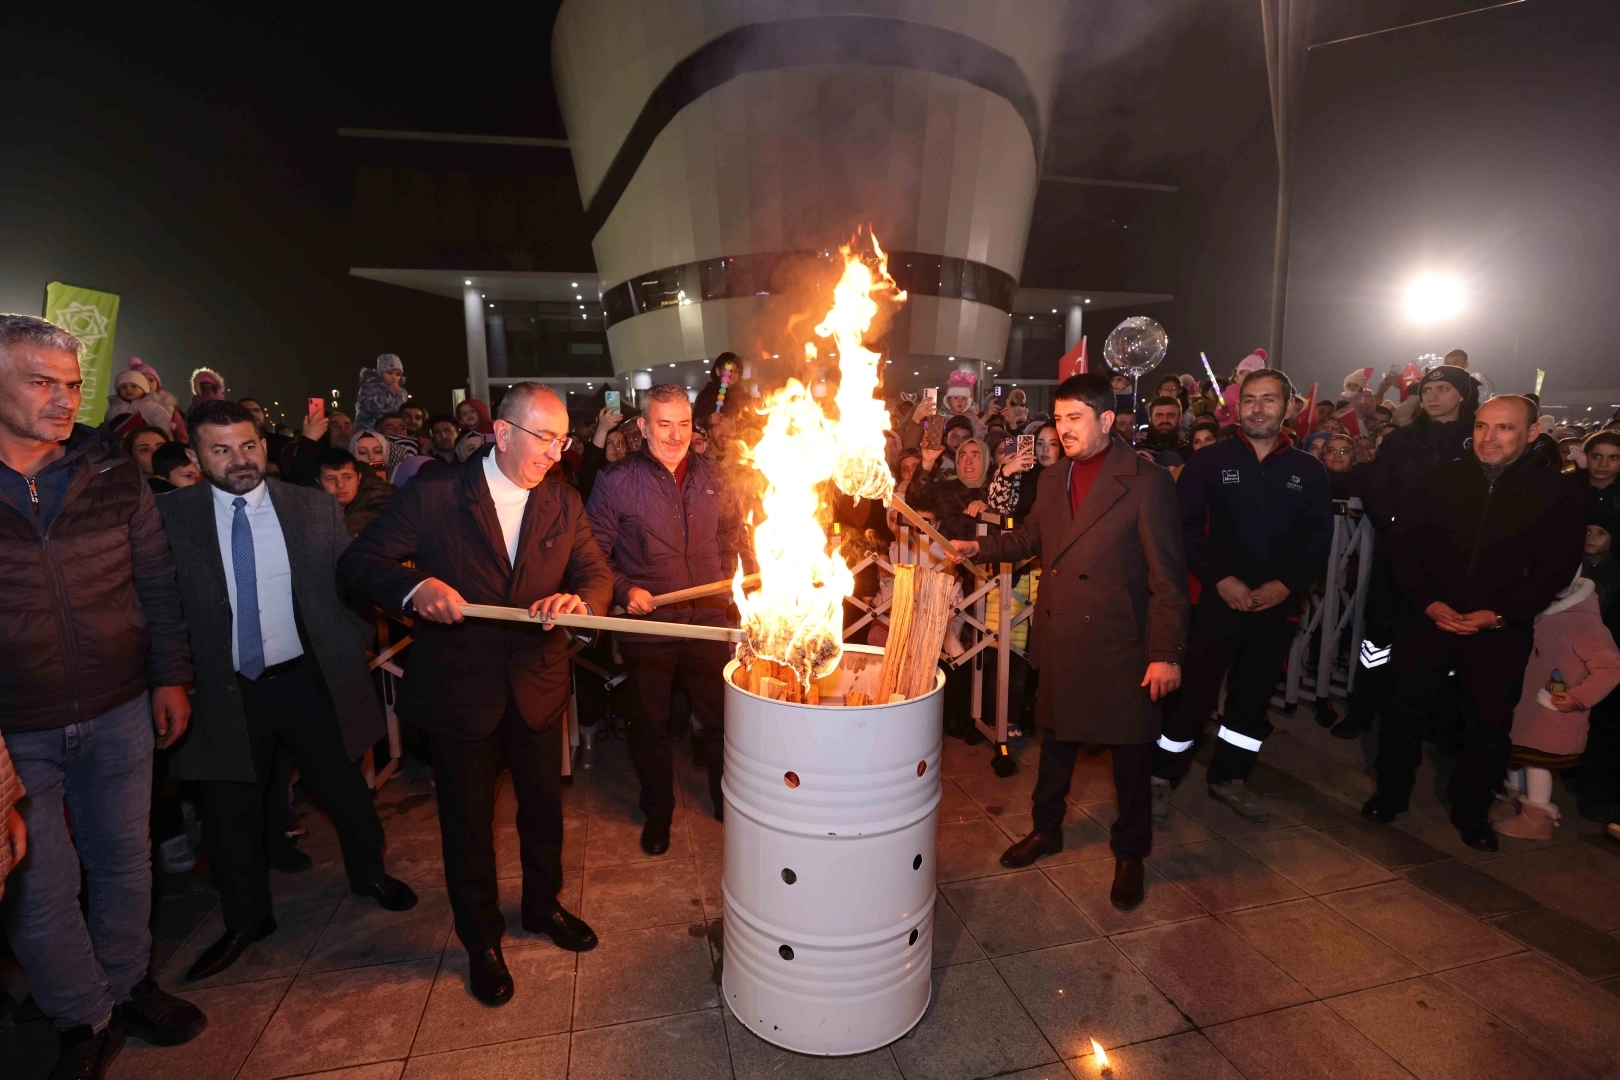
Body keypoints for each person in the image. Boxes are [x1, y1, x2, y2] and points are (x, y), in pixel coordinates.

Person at [339, 382, 613, 1006]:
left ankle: (543, 906)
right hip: (462, 689)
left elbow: (596, 573)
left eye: (563, 440)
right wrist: (416, 590)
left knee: (543, 811)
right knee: (467, 823)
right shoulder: (436, 493)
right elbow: (359, 564)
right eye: (545, 438)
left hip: (538, 682)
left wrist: (579, 601)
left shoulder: (563, 500)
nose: (556, 453)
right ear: (504, 433)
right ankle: (480, 938)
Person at [0, 314, 206, 1075]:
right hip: (14, 728)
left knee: (125, 861)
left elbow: (156, 580)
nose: (64, 400)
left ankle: (127, 986)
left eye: (73, 384)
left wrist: (170, 675)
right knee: (39, 887)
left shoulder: (110, 470)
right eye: (41, 382)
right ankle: (81, 1018)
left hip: (120, 704)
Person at [157, 400, 417, 981]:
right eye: (221, 449)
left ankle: (370, 874)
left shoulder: (310, 507)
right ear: (196, 455)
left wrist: (352, 640)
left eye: (248, 445)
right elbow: (158, 604)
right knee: (230, 812)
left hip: (307, 677)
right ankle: (246, 919)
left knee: (343, 787)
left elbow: (352, 579)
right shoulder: (169, 516)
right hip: (222, 689)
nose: (239, 459)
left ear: (264, 445)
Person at [948, 372, 1188, 911]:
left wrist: (1165, 654)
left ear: (1107, 420)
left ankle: (1131, 852)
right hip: (1061, 635)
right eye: (1058, 419)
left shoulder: (1147, 482)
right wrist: (978, 548)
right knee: (1056, 745)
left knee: (1130, 758)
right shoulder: (1054, 478)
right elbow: (1029, 538)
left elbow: (1168, 578)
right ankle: (1046, 828)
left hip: (1121, 644)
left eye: (1074, 418)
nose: (1063, 430)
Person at [1364, 396, 1587, 851]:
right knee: (1404, 709)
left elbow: (1556, 567)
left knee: (1488, 723)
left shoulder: (1556, 492)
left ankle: (1472, 811)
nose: (1489, 437)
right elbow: (1404, 548)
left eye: (1504, 428)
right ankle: (1390, 793)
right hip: (1427, 618)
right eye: (1482, 426)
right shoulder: (1439, 479)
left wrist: (1502, 613)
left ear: (1532, 433)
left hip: (1500, 629)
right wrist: (1427, 603)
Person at [1151, 369, 1332, 822]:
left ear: (1288, 406)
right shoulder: (1208, 462)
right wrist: (1219, 579)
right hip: (1214, 602)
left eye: (1268, 399)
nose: (1257, 408)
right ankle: (1160, 779)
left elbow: (1317, 538)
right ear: (1237, 407)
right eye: (1249, 399)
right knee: (1192, 695)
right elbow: (1186, 529)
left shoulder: (1308, 470)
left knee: (1252, 698)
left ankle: (1230, 778)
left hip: (1275, 606)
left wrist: (1286, 585)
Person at [586, 385, 743, 853]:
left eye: (683, 423)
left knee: (720, 720)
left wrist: (730, 585)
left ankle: (726, 800)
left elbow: (733, 539)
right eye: (664, 424)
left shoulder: (715, 476)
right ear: (643, 426)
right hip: (650, 627)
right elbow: (593, 553)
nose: (676, 435)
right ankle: (658, 813)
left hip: (708, 620)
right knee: (650, 725)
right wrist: (624, 590)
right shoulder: (615, 481)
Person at [1491, 572, 1620, 840]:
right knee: (1518, 754)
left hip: (1551, 708)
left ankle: (1537, 817)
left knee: (1537, 762)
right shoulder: (1539, 609)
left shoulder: (1581, 621)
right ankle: (1515, 798)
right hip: (1525, 704)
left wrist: (1579, 696)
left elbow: (1610, 667)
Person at [912, 436, 993, 541]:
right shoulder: (943, 489)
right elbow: (915, 500)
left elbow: (1010, 527)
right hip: (946, 550)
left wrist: (989, 509)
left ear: (986, 460)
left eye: (975, 455)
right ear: (957, 461)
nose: (968, 461)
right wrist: (928, 462)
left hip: (987, 550)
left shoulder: (998, 492)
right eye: (963, 456)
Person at [317, 446, 393, 536]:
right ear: (318, 481)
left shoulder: (378, 492)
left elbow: (379, 512)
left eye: (348, 477)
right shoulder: (311, 502)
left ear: (359, 478)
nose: (340, 485)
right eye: (331, 479)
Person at [279, 407, 353, 486]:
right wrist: (309, 440)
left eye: (347, 426)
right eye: (335, 426)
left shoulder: (357, 454)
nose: (343, 430)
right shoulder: (315, 458)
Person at [354, 353, 407, 432]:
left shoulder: (401, 393)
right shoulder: (370, 386)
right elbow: (371, 406)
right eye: (389, 373)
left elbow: (402, 411)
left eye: (397, 374)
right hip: (368, 429)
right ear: (380, 372)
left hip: (391, 431)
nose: (394, 377)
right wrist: (389, 392)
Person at [1575, 430, 1620, 514]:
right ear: (1583, 457)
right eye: (1597, 456)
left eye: (1614, 458)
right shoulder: (1563, 486)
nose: (1603, 464)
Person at [238, 397, 291, 464]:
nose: (253, 414)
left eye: (256, 410)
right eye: (246, 411)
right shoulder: (229, 443)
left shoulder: (284, 443)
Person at [1139, 396, 1189, 466]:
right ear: (1150, 419)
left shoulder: (1188, 451)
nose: (1164, 420)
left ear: (1180, 418)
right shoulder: (1137, 449)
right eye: (1159, 415)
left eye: (1170, 415)